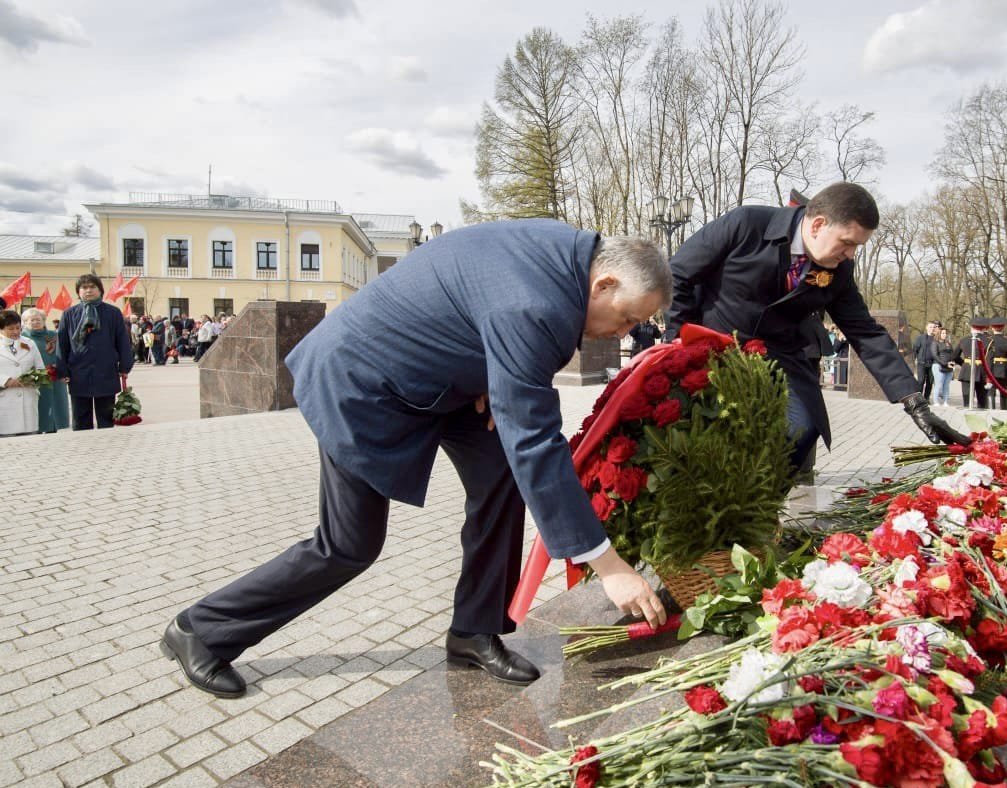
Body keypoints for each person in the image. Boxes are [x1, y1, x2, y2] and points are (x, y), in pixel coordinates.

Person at [160, 222, 674, 698]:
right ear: (603, 284)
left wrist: (490, 378)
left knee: (501, 475)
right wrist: (607, 566)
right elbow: (535, 441)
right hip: (361, 381)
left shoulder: (565, 256)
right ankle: (201, 630)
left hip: (440, 383)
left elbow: (479, 311)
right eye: (627, 317)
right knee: (349, 543)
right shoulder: (536, 301)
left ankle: (474, 630)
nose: (624, 332)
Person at [663, 182, 967, 471]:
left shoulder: (839, 269)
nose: (850, 255)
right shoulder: (746, 224)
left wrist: (914, 402)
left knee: (803, 429)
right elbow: (678, 275)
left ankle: (756, 509)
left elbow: (864, 331)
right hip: (716, 344)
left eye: (856, 247)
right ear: (818, 224)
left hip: (780, 354)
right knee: (710, 427)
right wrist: (682, 342)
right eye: (847, 243)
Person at [57, 274, 133, 431]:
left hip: (105, 370)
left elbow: (123, 341)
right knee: (80, 417)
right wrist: (62, 370)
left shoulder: (113, 313)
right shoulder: (69, 314)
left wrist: (125, 367)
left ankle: (106, 449)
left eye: (92, 287)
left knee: (106, 417)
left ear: (100, 290)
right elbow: (62, 344)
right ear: (78, 292)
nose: (88, 291)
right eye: (84, 287)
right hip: (78, 371)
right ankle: (84, 450)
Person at [21, 308, 70, 433]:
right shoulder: (23, 338)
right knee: (39, 405)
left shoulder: (54, 335)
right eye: (31, 320)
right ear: (25, 322)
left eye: (39, 319)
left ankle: (53, 428)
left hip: (55, 376)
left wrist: (64, 369)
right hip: (35, 377)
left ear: (44, 321)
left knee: (56, 403)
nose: (35, 322)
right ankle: (37, 428)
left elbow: (64, 353)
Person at [1, 310, 44, 436]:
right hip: (4, 400)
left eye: (18, 328)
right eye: (10, 329)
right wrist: (6, 381)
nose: (15, 332)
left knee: (30, 441)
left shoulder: (29, 343)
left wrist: (31, 379)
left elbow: (40, 369)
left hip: (28, 396)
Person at [952, 317, 990, 410]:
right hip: (982, 372)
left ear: (972, 327)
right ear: (984, 328)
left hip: (967, 371)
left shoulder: (964, 340)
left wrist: (964, 363)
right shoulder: (989, 341)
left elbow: (954, 356)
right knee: (982, 401)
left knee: (967, 401)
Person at [911, 320, 938, 402]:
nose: (932, 329)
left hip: (932, 364)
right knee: (921, 381)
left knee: (930, 382)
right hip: (922, 363)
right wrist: (913, 361)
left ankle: (926, 398)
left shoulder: (936, 339)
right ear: (927, 327)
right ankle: (918, 398)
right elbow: (915, 349)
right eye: (930, 327)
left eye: (934, 327)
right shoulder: (920, 338)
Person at [930, 327, 954, 407]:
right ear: (939, 333)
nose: (944, 334)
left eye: (945, 333)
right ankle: (936, 401)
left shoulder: (948, 343)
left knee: (946, 385)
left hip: (949, 366)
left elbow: (952, 354)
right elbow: (935, 355)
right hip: (938, 366)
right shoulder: (935, 343)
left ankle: (945, 401)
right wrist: (944, 363)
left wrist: (952, 362)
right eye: (943, 333)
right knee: (939, 384)